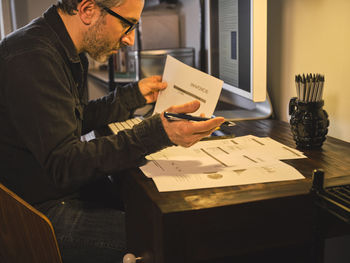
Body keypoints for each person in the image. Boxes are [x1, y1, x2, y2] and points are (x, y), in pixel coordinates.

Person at [0, 0, 224, 262]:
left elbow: (71, 119)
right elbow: (65, 163)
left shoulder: (60, 47)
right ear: (87, 10)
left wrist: (132, 97)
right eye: (126, 24)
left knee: (155, 211)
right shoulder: (32, 56)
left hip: (56, 192)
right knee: (174, 236)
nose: (129, 39)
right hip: (36, 215)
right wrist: (157, 132)